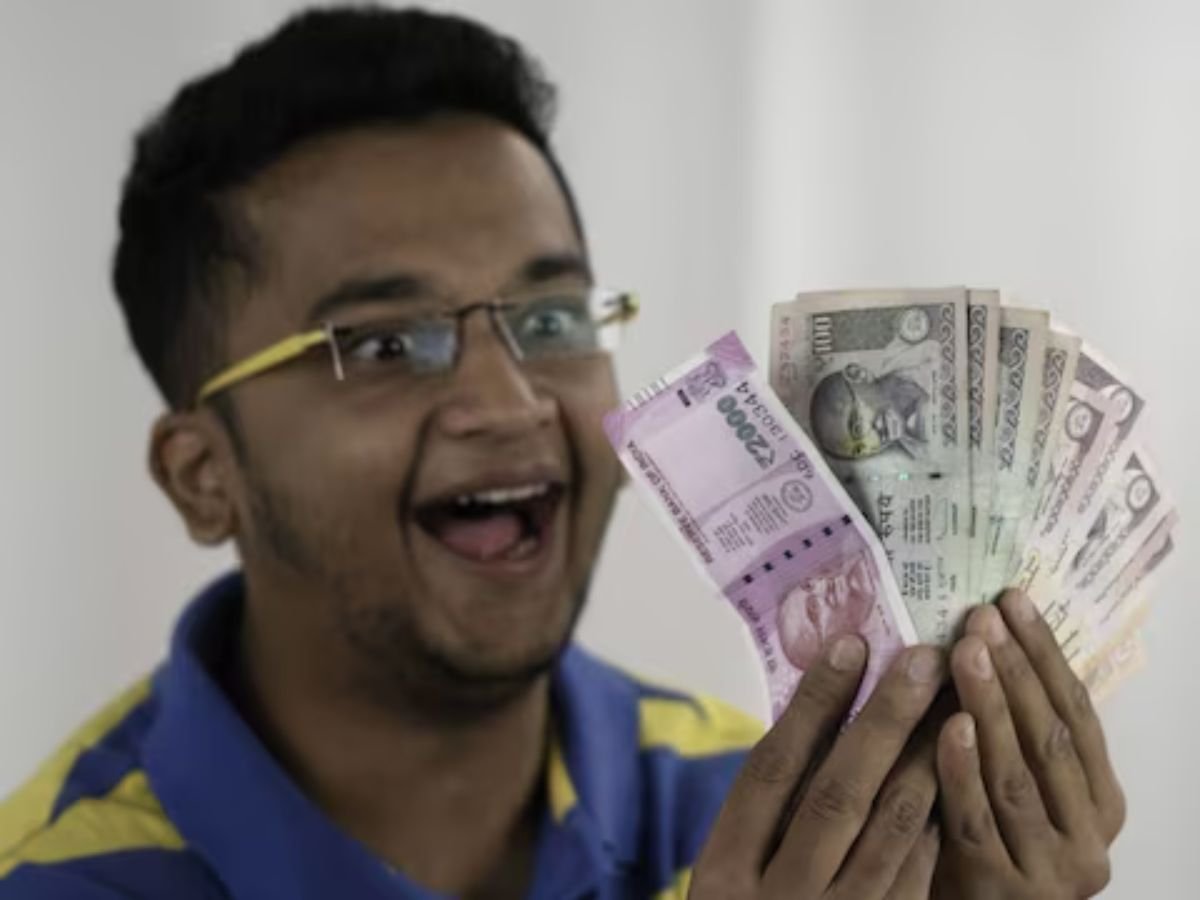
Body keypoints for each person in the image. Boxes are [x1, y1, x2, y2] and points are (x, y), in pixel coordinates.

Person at [0, 7, 1123, 898]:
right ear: (203, 477)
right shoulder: (56, 877)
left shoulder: (757, 803)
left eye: (548, 320)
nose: (511, 400)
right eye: (386, 343)